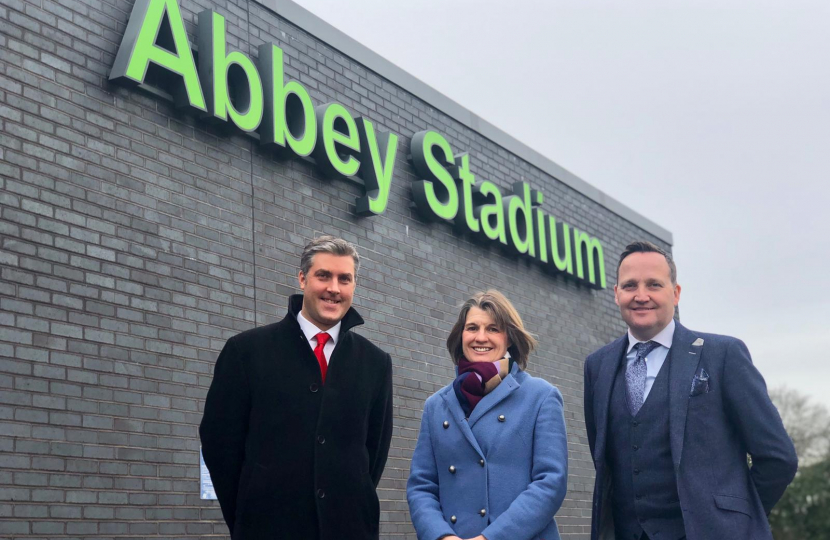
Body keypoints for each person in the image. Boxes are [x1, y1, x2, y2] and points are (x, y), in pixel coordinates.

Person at [583, 241, 797, 540]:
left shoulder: (723, 355)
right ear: (616, 293)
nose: (641, 295)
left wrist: (735, 520)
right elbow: (604, 460)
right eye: (630, 285)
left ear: (676, 293)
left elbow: (778, 457)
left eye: (654, 284)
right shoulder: (597, 366)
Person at [199, 236, 393, 540]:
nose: (334, 288)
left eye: (345, 279)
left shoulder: (376, 363)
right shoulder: (246, 352)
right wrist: (247, 515)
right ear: (302, 278)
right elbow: (219, 443)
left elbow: (374, 453)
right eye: (323, 275)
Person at [407, 290, 568, 540]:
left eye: (493, 329)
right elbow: (421, 486)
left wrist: (489, 538)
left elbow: (550, 483)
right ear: (461, 336)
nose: (481, 337)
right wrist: (441, 536)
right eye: (472, 327)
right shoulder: (435, 406)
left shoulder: (541, 396)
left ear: (509, 338)